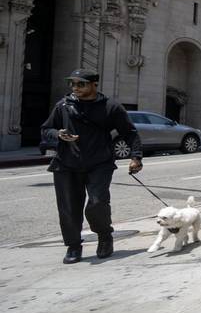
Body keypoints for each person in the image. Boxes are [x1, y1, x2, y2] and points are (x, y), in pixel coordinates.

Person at [40, 70, 143, 264]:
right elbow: (46, 129)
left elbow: (129, 132)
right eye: (72, 84)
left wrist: (136, 157)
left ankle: (105, 237)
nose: (75, 88)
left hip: (99, 163)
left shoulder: (111, 107)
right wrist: (59, 135)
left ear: (94, 85)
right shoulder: (63, 106)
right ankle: (73, 245)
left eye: (81, 84)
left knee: (97, 203)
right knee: (68, 208)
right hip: (66, 164)